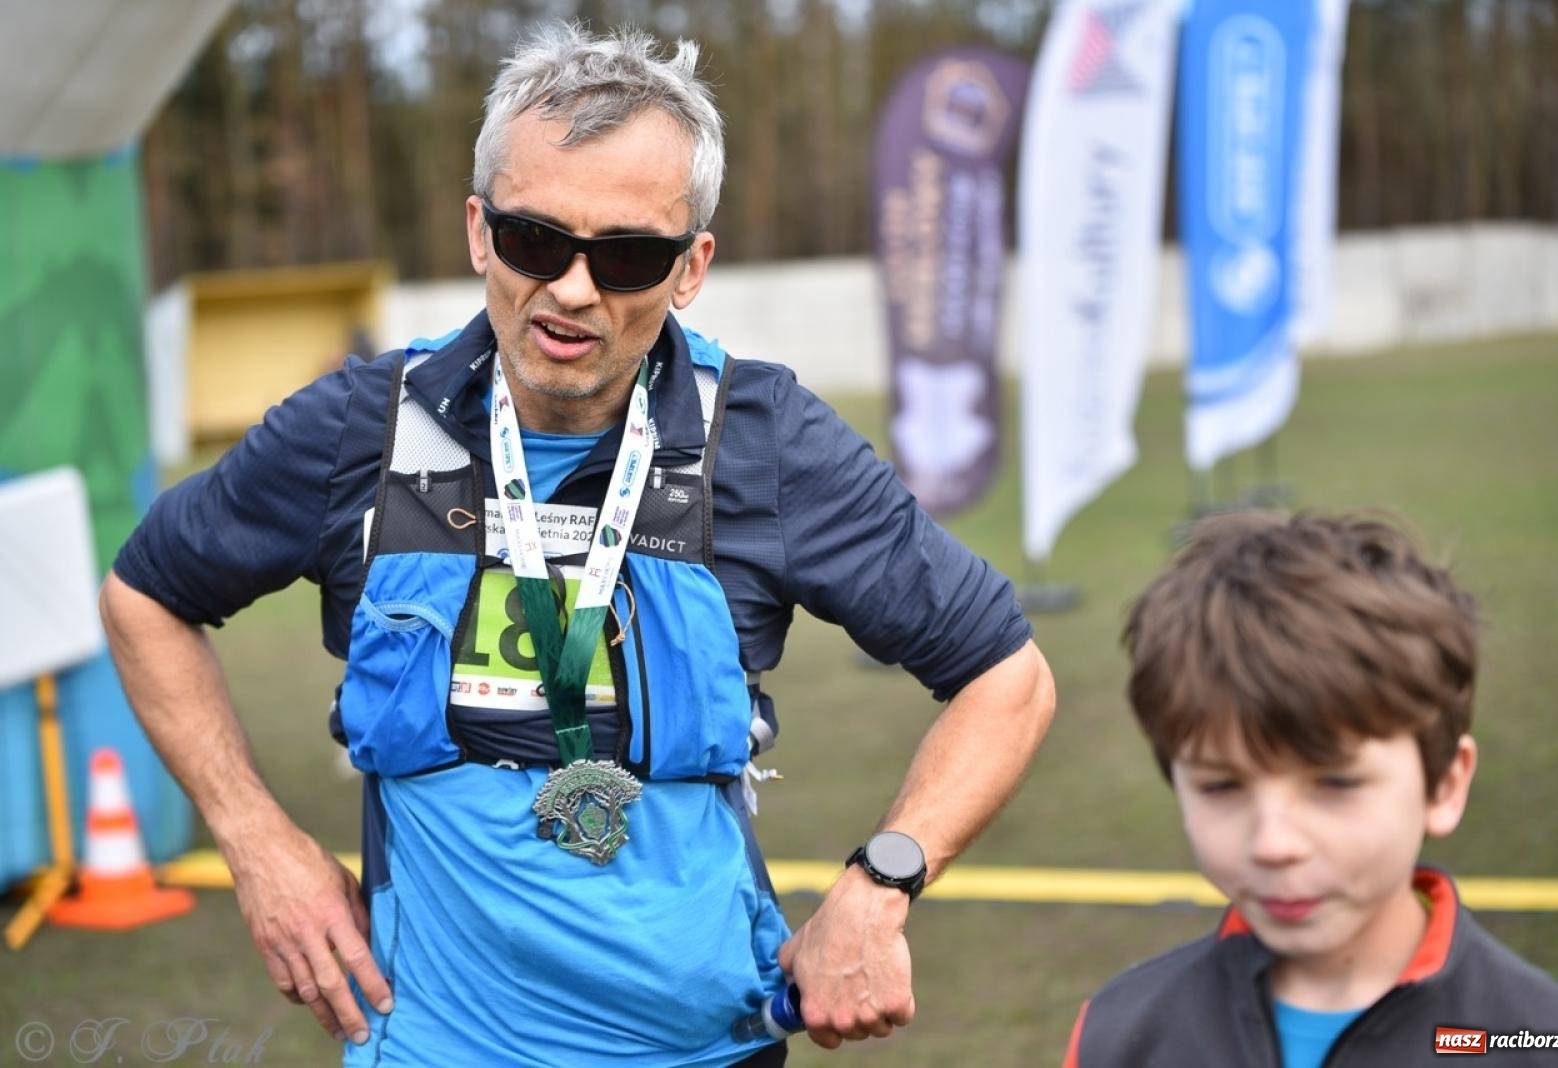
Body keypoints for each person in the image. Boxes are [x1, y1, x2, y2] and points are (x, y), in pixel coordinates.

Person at [101, 21, 1055, 1068]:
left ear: (690, 268)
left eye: (629, 256)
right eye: (533, 240)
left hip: (707, 1049)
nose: (570, 290)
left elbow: (1007, 678)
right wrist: (254, 842)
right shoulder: (362, 429)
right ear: (477, 231)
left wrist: (881, 886)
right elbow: (146, 596)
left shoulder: (765, 440)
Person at [1063, 512, 1558, 1067]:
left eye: (1335, 783)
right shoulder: (1121, 1035)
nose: (1274, 844)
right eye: (1222, 786)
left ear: (1444, 784)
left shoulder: (1552, 1044)